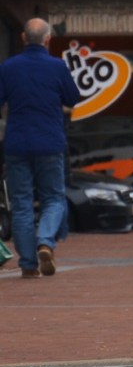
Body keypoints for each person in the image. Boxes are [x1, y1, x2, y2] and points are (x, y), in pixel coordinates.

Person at [0, 18, 80, 278]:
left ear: (23, 38)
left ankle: (28, 265)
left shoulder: (8, 67)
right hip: (49, 142)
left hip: (17, 143)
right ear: (47, 40)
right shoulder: (57, 67)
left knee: (22, 204)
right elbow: (72, 98)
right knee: (54, 198)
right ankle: (45, 240)